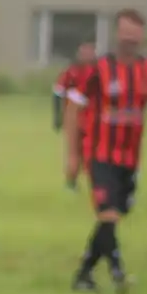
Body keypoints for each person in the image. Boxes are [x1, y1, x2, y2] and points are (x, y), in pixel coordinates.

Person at [62, 9, 147, 294]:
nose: (130, 37)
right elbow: (73, 109)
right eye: (125, 31)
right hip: (98, 153)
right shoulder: (97, 70)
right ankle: (118, 274)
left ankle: (84, 274)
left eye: (135, 32)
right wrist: (72, 155)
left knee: (113, 216)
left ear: (141, 36)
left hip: (129, 158)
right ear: (117, 34)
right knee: (108, 213)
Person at [51, 41, 96, 190]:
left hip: (94, 117)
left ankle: (97, 183)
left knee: (94, 151)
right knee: (73, 151)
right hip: (73, 117)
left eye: (89, 50)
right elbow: (58, 93)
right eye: (83, 51)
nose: (86, 54)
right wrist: (57, 117)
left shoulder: (100, 71)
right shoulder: (71, 72)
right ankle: (71, 183)